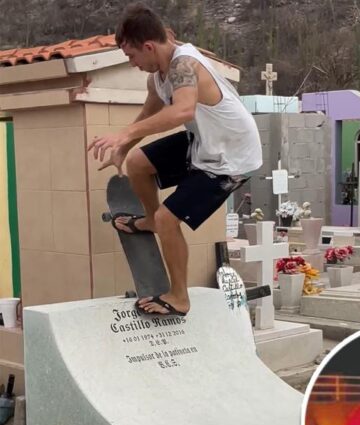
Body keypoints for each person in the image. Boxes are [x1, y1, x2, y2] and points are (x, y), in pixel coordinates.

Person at [88, 2, 262, 316]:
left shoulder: (184, 66)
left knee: (169, 219)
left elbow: (182, 111)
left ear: (148, 46)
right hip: (205, 143)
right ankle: (150, 221)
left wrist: (123, 135)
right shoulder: (157, 75)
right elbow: (150, 113)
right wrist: (125, 146)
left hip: (232, 158)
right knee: (138, 163)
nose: (133, 64)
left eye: (132, 56)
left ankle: (179, 297)